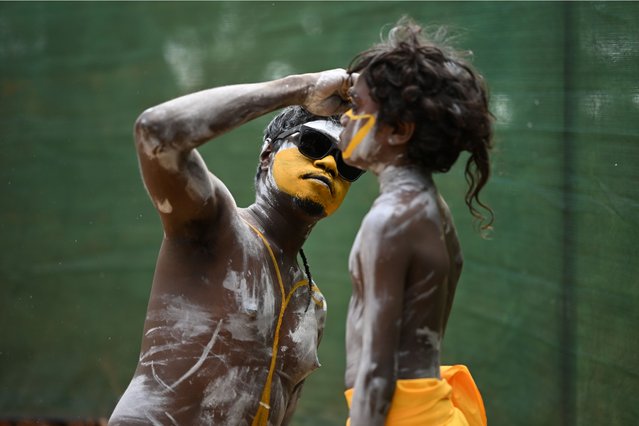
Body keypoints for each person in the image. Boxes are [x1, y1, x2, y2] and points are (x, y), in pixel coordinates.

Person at [108, 69, 363, 426]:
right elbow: (156, 130)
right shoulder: (215, 224)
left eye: (348, 165)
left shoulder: (312, 304)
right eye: (312, 145)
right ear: (267, 154)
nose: (329, 164)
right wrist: (300, 89)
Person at [339, 17, 493, 426]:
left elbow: (376, 371)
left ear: (399, 131)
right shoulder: (433, 210)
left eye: (356, 108)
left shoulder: (389, 220)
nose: (344, 119)